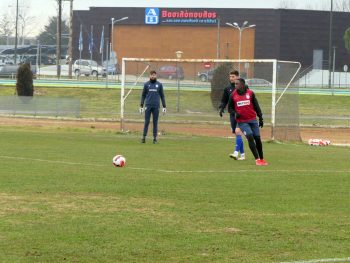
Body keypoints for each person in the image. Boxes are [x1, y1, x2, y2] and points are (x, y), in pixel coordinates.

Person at [228, 78, 268, 166]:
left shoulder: (250, 93)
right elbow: (229, 108)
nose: (235, 85)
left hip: (253, 120)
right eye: (235, 84)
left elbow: (257, 106)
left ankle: (262, 159)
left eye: (237, 84)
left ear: (242, 84)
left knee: (257, 138)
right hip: (242, 122)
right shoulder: (232, 95)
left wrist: (261, 118)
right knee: (249, 136)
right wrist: (235, 113)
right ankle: (257, 159)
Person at [218, 70, 245, 160]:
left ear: (237, 77)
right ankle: (242, 155)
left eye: (233, 76)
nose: (231, 78)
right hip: (232, 114)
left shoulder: (243, 87)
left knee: (238, 132)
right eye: (230, 77)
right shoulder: (227, 88)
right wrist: (222, 108)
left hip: (241, 114)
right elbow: (224, 100)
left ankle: (236, 153)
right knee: (236, 133)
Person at [140, 70, 166, 144]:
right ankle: (143, 138)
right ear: (149, 76)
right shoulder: (146, 84)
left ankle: (155, 139)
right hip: (148, 106)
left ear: (156, 76)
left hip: (156, 106)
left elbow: (162, 96)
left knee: (155, 123)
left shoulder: (159, 85)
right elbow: (143, 95)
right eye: (151, 75)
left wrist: (164, 106)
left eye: (154, 75)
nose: (153, 76)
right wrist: (141, 105)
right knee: (147, 122)